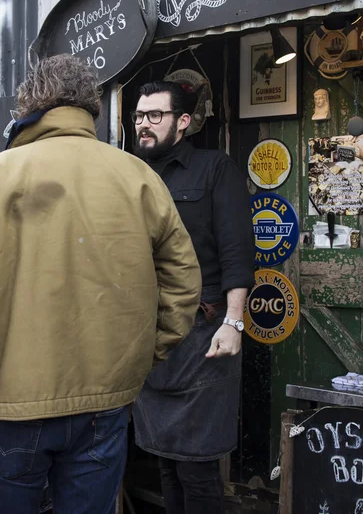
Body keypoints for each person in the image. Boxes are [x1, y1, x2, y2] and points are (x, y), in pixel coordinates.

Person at [0, 55, 202, 514]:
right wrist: (141, 356)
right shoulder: (139, 179)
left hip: (10, 411)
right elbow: (184, 284)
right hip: (103, 407)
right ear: (90, 108)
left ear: (31, 103)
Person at [131, 81, 255, 513]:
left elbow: (238, 251)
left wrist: (234, 322)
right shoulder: (131, 173)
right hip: (151, 338)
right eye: (139, 116)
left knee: (197, 470)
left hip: (205, 333)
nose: (144, 125)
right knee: (164, 461)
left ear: (182, 122)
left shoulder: (215, 168)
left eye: (155, 116)